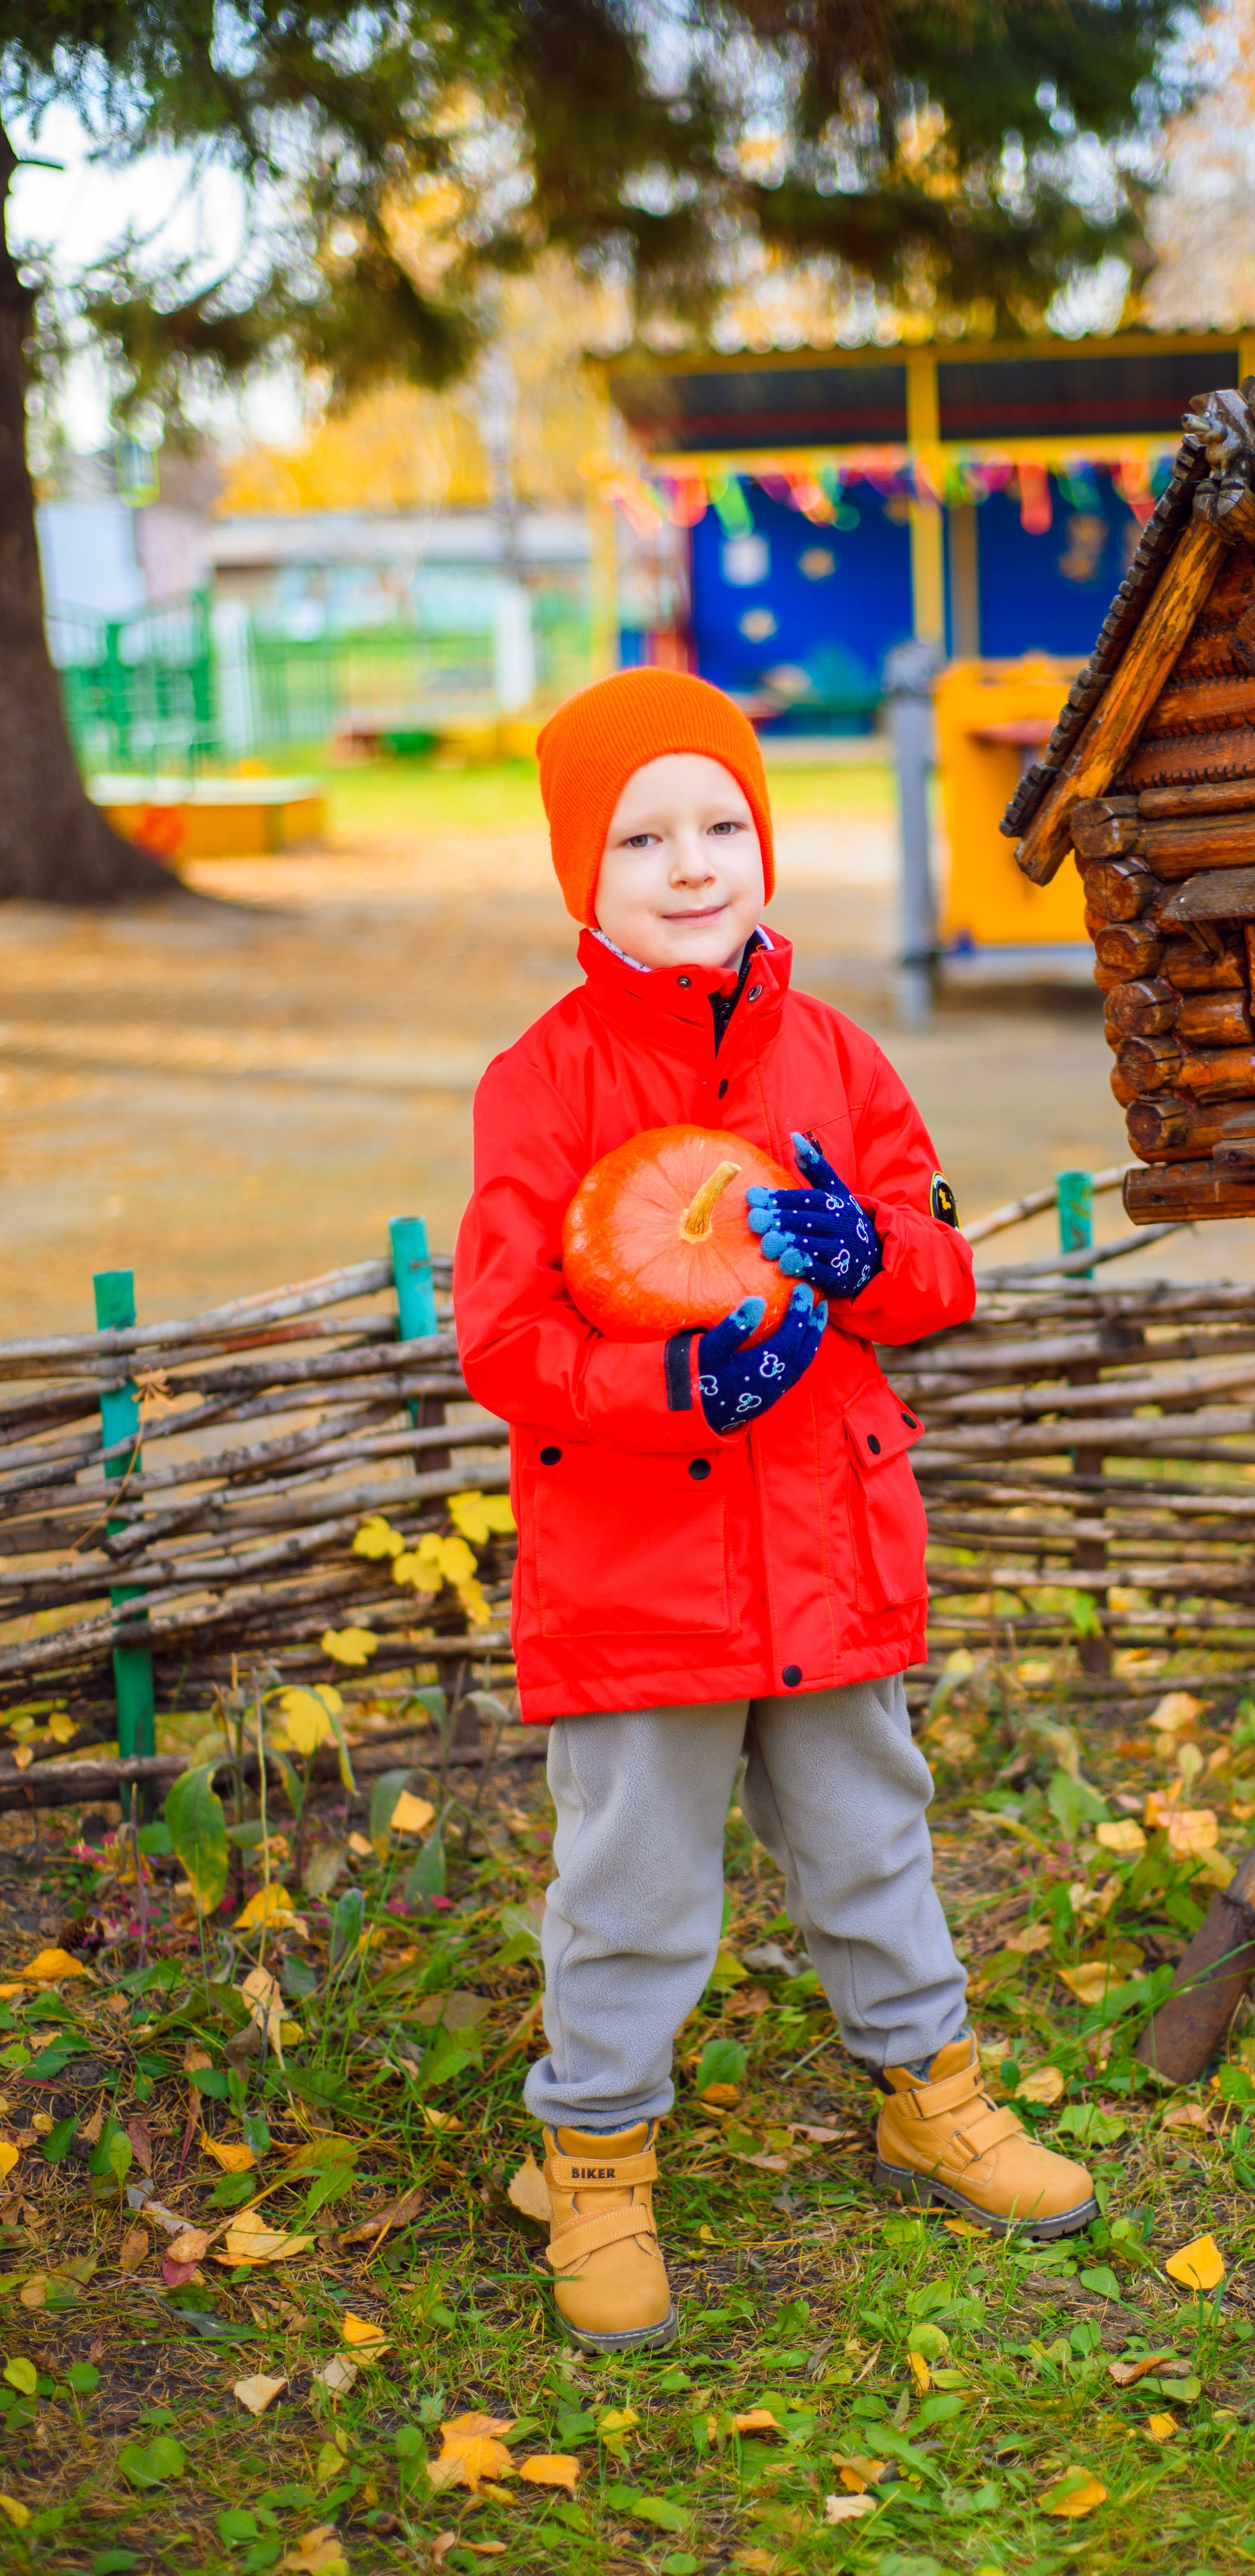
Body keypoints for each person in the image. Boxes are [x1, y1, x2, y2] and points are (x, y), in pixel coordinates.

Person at [454, 667, 1095, 2353]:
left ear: (764, 840)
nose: (690, 861)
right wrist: (672, 1390)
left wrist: (862, 1256)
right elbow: (507, 1338)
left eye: (720, 822)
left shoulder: (837, 1056)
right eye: (642, 833)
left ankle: (927, 2090)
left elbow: (941, 1266)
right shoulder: (542, 1082)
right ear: (580, 873)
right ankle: (592, 2156)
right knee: (635, 1879)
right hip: (636, 1573)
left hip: (823, 1545)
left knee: (873, 1837)